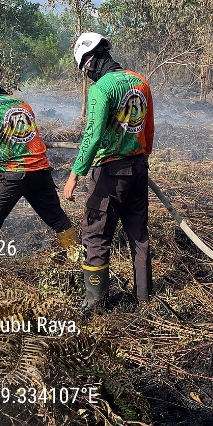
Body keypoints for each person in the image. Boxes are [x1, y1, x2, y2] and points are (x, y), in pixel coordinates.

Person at [63, 33, 154, 312]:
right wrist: (141, 157)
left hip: (110, 172)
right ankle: (144, 299)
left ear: (90, 61)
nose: (85, 74)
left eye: (83, 69)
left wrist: (74, 174)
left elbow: (92, 136)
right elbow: (148, 128)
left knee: (95, 233)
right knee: (138, 235)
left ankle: (95, 301)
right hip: (138, 168)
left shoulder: (101, 89)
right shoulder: (141, 81)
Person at [0, 66, 79, 262]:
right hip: (40, 172)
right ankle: (78, 258)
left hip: (11, 174)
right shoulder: (23, 104)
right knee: (56, 217)